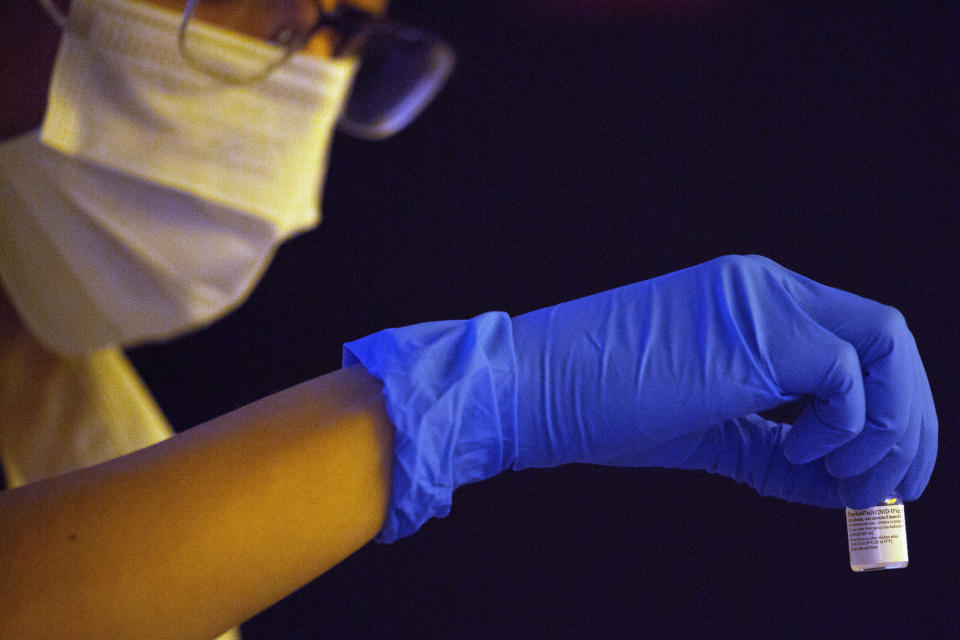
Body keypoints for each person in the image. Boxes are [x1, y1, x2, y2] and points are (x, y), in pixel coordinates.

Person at [0, 1, 938, 639]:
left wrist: (497, 401)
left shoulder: (65, 419)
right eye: (273, 15)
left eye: (348, 34)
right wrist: (492, 399)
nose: (307, 84)